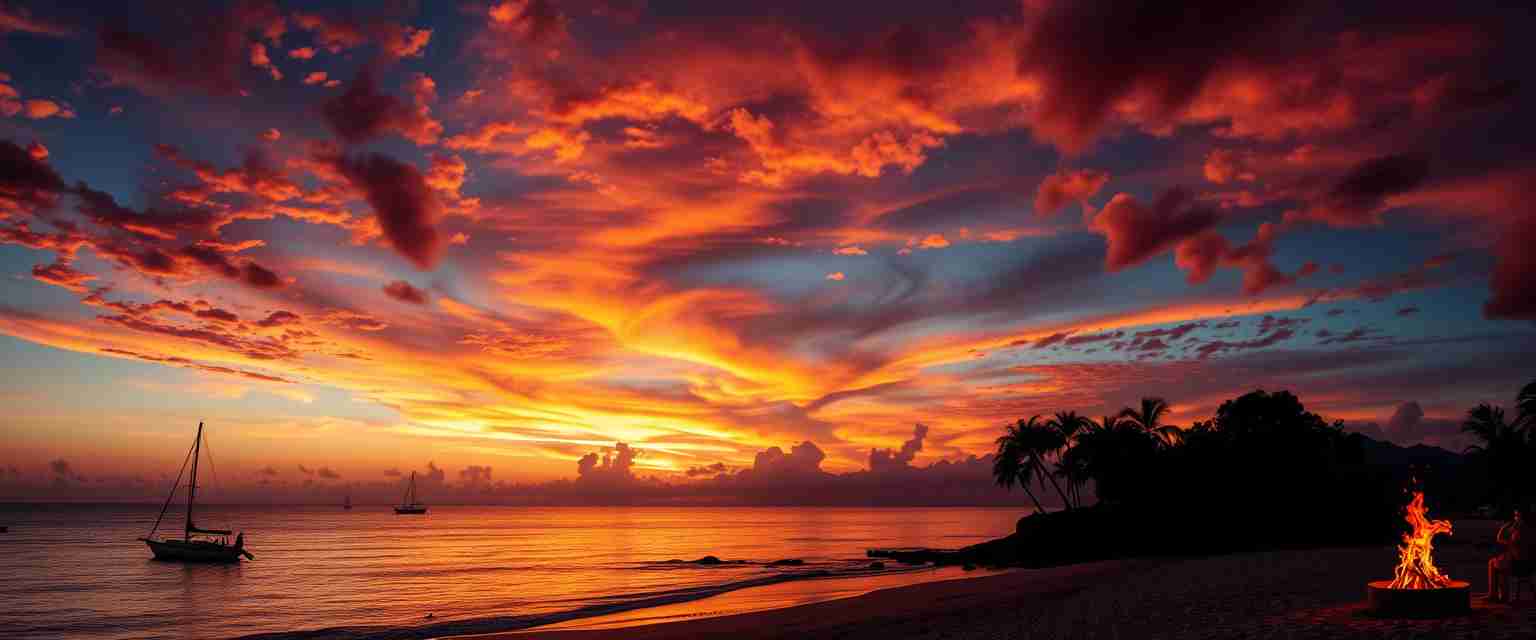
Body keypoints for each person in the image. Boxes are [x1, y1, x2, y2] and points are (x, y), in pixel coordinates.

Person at [1488, 509, 1527, 602]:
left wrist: (1505, 527)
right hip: (1529, 564)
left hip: (1519, 564)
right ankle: (1496, 595)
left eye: (1517, 516)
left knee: (1495, 563)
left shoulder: (1520, 531)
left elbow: (1500, 539)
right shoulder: (1528, 529)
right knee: (1501, 561)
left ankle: (1496, 595)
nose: (1515, 518)